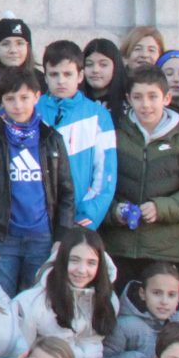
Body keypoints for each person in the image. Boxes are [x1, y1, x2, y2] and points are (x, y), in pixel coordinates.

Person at [0, 67, 76, 292]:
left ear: (37, 97)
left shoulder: (51, 139)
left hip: (42, 238)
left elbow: (66, 192)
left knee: (37, 300)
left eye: (24, 97)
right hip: (3, 238)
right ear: (0, 102)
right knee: (0, 302)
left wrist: (61, 236)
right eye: (10, 99)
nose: (18, 105)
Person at [106, 66, 179, 284]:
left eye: (152, 96)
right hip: (118, 249)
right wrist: (114, 211)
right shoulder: (114, 136)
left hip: (165, 252)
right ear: (128, 99)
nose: (145, 104)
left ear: (166, 98)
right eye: (138, 97)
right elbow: (97, 185)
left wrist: (161, 208)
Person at [9, 228, 118, 358]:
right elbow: (21, 354)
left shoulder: (108, 298)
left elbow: (94, 341)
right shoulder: (30, 302)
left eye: (91, 263)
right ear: (62, 260)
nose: (82, 270)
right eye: (74, 260)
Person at [39, 41, 116, 231]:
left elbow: (105, 174)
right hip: (35, 222)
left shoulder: (98, 115)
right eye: (54, 74)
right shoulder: (32, 110)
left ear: (80, 75)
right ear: (45, 76)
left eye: (67, 74)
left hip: (78, 220)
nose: (61, 81)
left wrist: (87, 217)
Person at [81, 38, 125, 115]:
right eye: (89, 64)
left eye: (103, 64)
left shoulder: (128, 101)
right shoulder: (73, 101)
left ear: (116, 67)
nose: (95, 70)